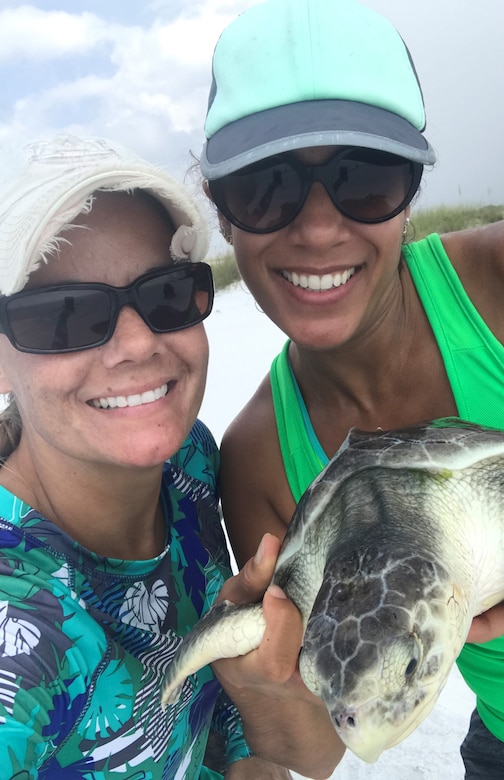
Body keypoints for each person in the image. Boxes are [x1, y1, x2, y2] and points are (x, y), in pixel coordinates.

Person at [200, 0, 504, 776]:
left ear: (409, 191)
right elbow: (323, 744)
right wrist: (264, 693)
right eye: (265, 187)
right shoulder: (259, 461)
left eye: (365, 179)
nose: (316, 229)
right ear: (222, 211)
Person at [0, 133, 342, 779]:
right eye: (65, 315)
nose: (136, 342)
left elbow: (309, 756)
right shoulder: (18, 624)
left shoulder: (190, 465)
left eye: (165, 296)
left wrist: (257, 689)